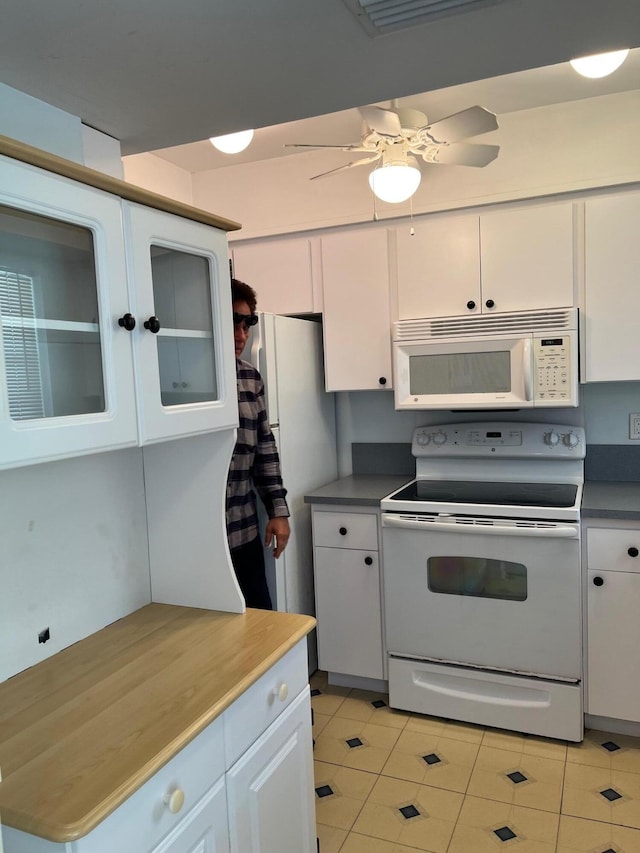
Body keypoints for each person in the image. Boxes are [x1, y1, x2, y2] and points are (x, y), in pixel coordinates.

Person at [225, 278, 291, 609]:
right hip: (199, 541)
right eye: (231, 322)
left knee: (261, 626)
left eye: (247, 323)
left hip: (244, 532)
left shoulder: (250, 378)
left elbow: (265, 447)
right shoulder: (176, 381)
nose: (241, 335)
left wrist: (277, 510)